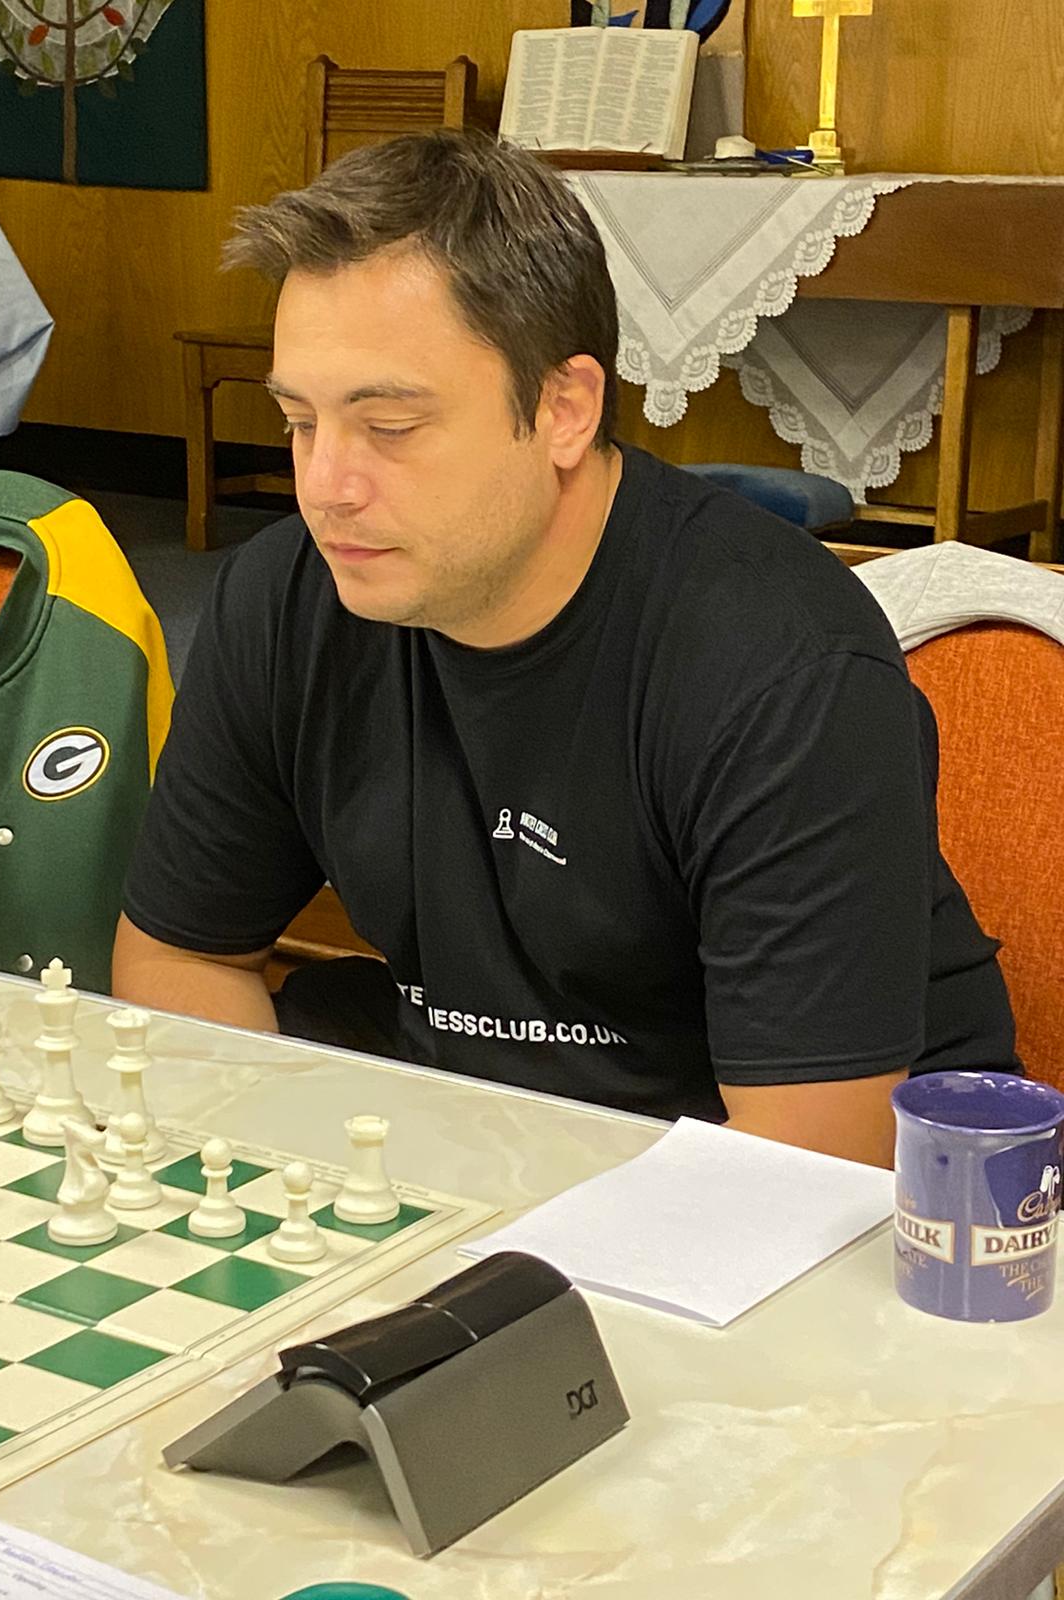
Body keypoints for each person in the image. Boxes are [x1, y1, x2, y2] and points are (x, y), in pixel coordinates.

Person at [113, 130, 1016, 1168]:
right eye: (299, 421)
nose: (325, 487)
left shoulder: (780, 666)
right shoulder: (284, 600)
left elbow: (806, 1165)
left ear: (564, 410)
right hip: (475, 1136)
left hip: (803, 1195)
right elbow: (179, 960)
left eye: (390, 426)